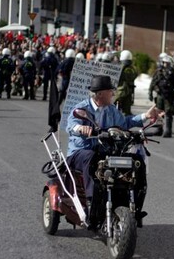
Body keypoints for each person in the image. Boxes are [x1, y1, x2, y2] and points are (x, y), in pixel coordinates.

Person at [66, 75, 164, 227]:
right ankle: (92, 203)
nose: (113, 93)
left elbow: (125, 123)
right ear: (100, 94)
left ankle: (134, 206)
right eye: (110, 91)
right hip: (81, 153)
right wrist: (81, 128)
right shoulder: (82, 109)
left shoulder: (111, 110)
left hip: (105, 152)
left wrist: (145, 116)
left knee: (136, 162)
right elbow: (71, 125)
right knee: (91, 157)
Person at [149, 54, 174, 137]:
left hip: (169, 95)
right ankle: (159, 129)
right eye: (164, 63)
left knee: (168, 113)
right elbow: (153, 82)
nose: (165, 64)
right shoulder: (158, 71)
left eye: (167, 63)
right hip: (160, 95)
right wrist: (150, 92)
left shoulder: (173, 72)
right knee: (159, 112)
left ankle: (168, 130)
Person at [115, 50, 138, 115]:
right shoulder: (132, 69)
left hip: (119, 93)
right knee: (126, 112)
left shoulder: (118, 68)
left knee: (115, 111)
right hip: (128, 93)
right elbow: (135, 74)